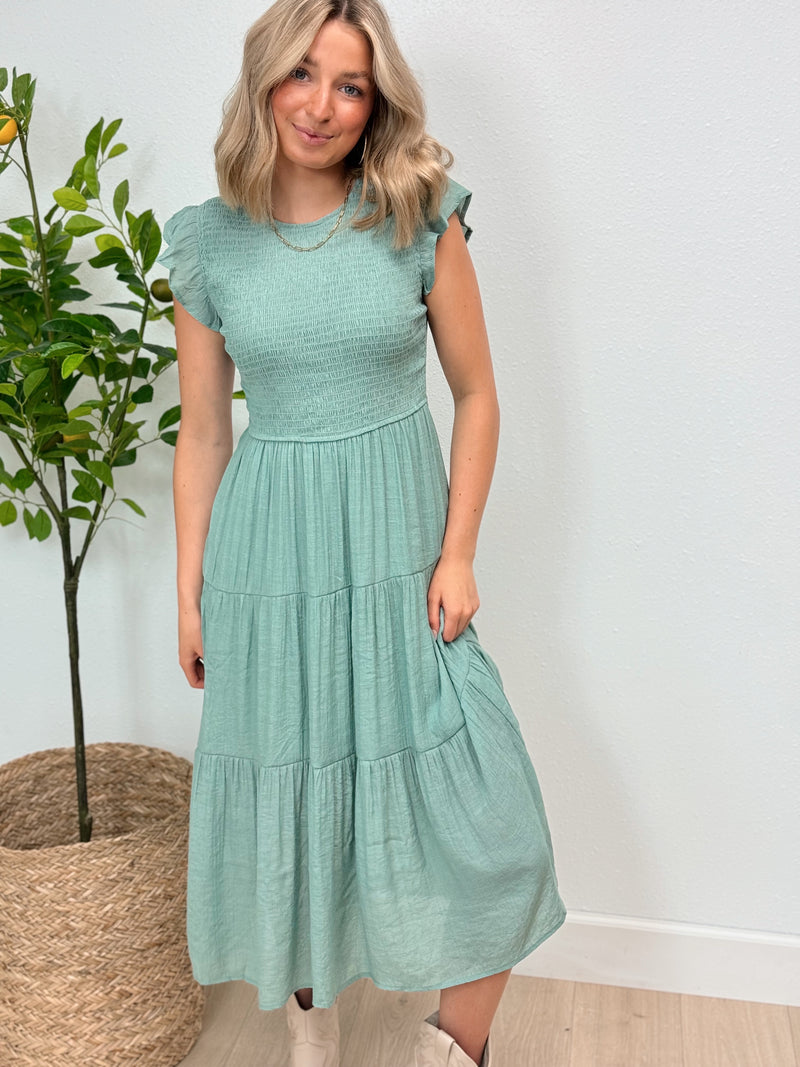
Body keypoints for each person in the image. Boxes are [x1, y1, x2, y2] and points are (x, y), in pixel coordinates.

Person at [156, 1, 567, 1064]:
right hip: (267, 561)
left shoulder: (418, 217)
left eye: (350, 84)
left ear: (376, 102)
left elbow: (476, 394)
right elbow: (203, 433)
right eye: (301, 74)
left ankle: (448, 1051)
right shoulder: (207, 242)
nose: (321, 105)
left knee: (497, 823)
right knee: (293, 793)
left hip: (398, 556)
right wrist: (190, 593)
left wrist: (458, 552)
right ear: (263, 79)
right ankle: (311, 1032)